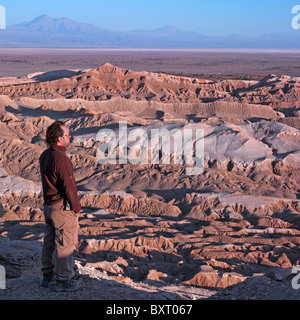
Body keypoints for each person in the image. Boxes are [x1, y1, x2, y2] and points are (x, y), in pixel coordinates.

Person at [39, 120, 82, 292]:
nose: (70, 137)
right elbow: (69, 189)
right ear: (59, 139)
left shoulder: (45, 154)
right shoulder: (62, 159)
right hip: (61, 208)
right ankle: (63, 281)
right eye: (67, 135)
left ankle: (47, 276)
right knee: (65, 244)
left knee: (49, 242)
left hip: (48, 206)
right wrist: (76, 207)